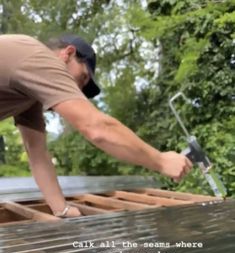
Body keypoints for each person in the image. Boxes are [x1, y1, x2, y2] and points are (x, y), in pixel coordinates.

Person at [0, 34, 193, 218]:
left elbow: (38, 155)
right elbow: (97, 128)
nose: (78, 89)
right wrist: (160, 161)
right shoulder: (37, 57)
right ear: (67, 53)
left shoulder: (30, 96)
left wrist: (63, 210)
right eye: (83, 77)